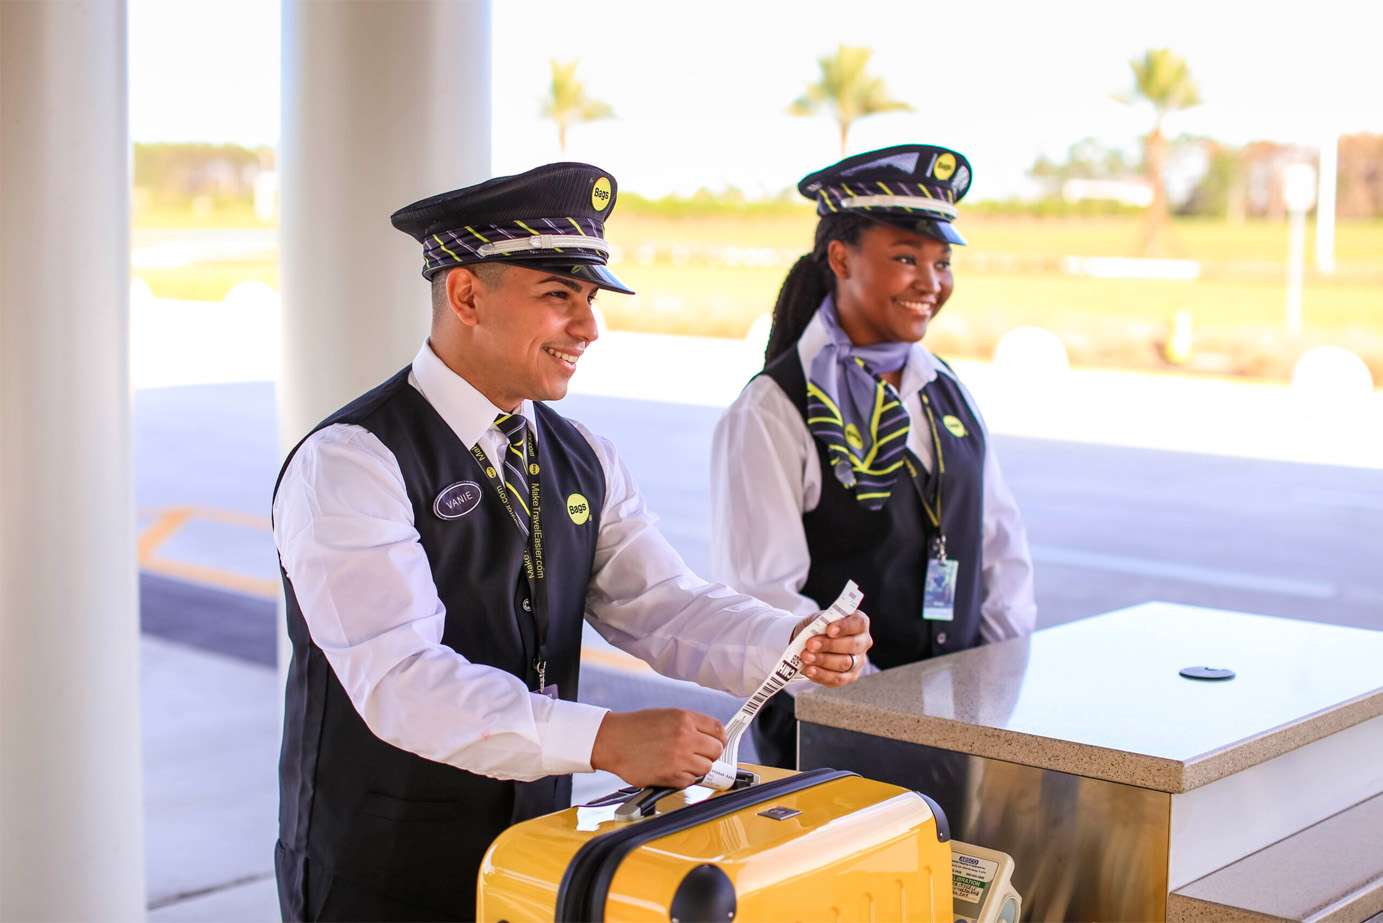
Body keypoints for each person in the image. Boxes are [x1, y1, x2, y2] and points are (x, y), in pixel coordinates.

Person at [270, 162, 874, 922]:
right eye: (560, 298)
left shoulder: (581, 454)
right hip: (382, 872)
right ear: (465, 295)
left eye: (588, 301)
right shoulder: (353, 461)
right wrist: (608, 738)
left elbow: (658, 602)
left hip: (533, 853)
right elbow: (403, 682)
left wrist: (785, 640)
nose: (588, 329)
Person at [710, 145, 1035, 768]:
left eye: (941, 263)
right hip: (834, 739)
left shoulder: (946, 387)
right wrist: (883, 709)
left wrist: (999, 693)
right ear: (840, 258)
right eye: (906, 259)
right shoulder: (773, 409)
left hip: (954, 730)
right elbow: (763, 595)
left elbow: (1001, 546)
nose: (930, 283)